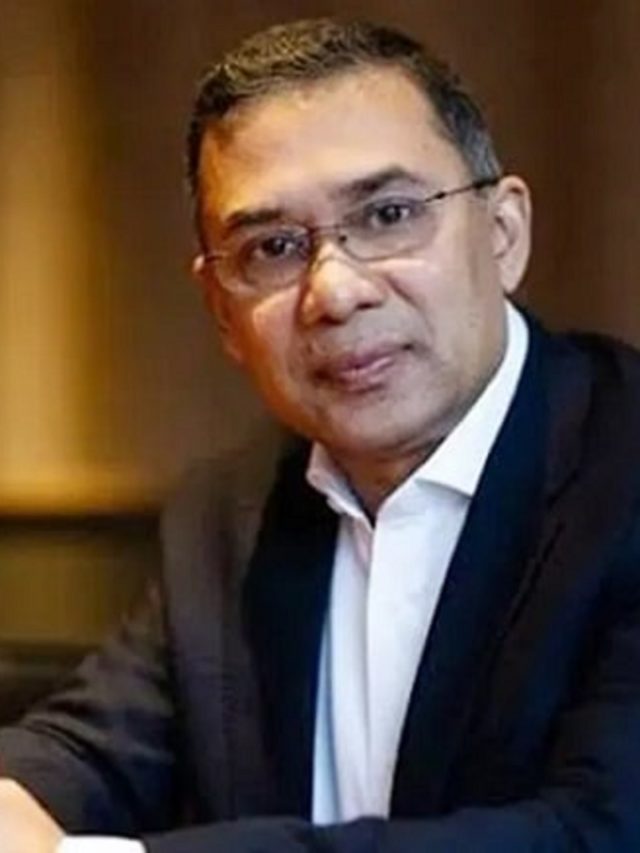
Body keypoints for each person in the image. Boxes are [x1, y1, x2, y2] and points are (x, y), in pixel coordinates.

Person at [2, 16, 640, 853]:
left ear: (502, 235)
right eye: (272, 247)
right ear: (222, 313)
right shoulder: (229, 514)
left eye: (388, 214)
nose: (335, 291)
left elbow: (599, 832)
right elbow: (90, 751)